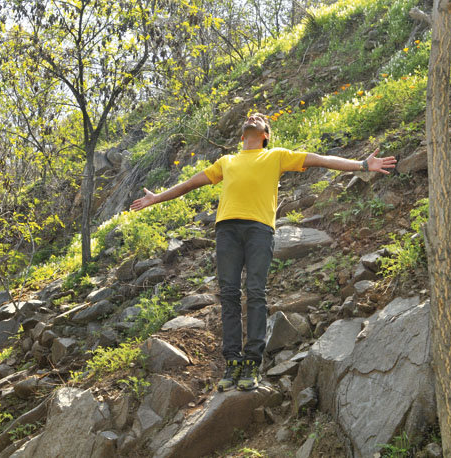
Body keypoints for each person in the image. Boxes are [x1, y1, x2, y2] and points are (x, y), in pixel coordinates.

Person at [130, 113, 396, 391]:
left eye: (259, 119)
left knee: (255, 292)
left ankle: (251, 362)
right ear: (242, 135)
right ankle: (232, 362)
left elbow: (320, 159)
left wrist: (362, 164)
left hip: (259, 230)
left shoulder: (276, 156)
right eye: (250, 117)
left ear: (265, 135)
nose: (253, 117)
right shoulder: (226, 161)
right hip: (227, 230)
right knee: (229, 295)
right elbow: (189, 184)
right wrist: (157, 198)